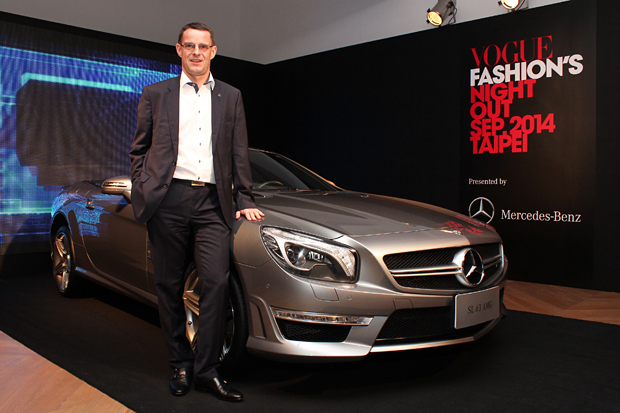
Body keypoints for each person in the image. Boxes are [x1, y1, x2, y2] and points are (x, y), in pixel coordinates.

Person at [129, 22, 264, 402]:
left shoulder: (231, 96)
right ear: (178, 50)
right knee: (169, 286)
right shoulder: (156, 93)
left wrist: (246, 199)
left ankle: (207, 370)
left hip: (212, 203)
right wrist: (143, 187)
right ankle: (180, 364)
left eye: (203, 46)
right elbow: (139, 149)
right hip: (167, 200)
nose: (196, 52)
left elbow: (238, 150)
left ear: (213, 51)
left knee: (216, 283)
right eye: (189, 45)